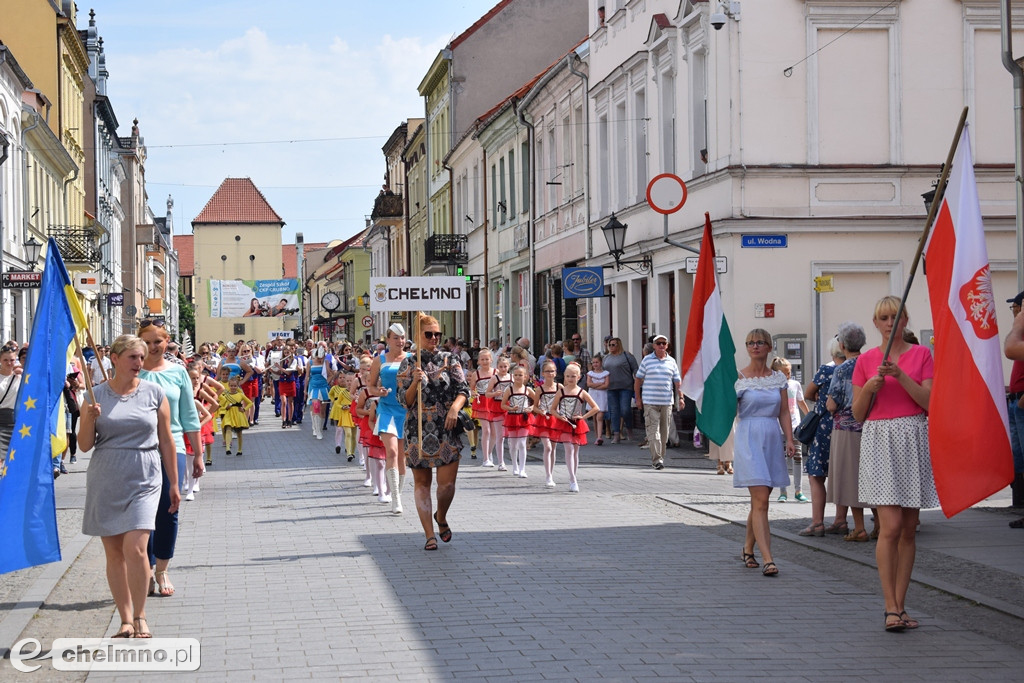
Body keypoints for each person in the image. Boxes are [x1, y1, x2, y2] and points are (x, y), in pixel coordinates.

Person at [79, 335, 178, 639]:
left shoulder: (154, 392)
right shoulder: (94, 396)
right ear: (115, 358)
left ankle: (140, 616)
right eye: (133, 357)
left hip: (145, 476)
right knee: (114, 554)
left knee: (136, 548)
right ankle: (124, 619)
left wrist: (174, 482)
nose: (139, 363)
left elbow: (166, 439)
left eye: (141, 357)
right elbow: (83, 446)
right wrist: (88, 418)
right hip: (106, 477)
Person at [852, 296, 938, 632]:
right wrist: (871, 387)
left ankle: (901, 605)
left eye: (895, 317)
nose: (890, 323)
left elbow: (929, 401)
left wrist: (899, 376)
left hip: (913, 436)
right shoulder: (866, 361)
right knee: (888, 527)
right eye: (884, 318)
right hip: (880, 440)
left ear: (905, 321)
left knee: (907, 529)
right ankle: (889, 606)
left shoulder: (922, 355)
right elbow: (858, 413)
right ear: (875, 323)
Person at [138, 320, 202, 599]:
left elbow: (189, 415)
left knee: (168, 507)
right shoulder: (132, 370)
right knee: (142, 513)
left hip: (172, 446)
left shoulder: (177, 373)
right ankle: (146, 569)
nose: (153, 347)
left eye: (158, 342)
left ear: (167, 342)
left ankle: (162, 567)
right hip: (137, 448)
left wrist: (198, 453)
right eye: (147, 342)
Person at [398, 313, 470, 551]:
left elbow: (463, 390)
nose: (434, 338)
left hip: (447, 427)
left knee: (447, 485)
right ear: (418, 336)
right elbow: (404, 401)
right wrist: (414, 384)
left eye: (437, 334)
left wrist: (454, 409)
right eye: (428, 334)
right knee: (422, 483)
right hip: (417, 428)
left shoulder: (450, 359)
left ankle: (441, 516)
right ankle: (429, 534)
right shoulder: (409, 363)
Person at [734, 329, 796, 577]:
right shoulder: (738, 378)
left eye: (760, 342)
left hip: (771, 436)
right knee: (761, 501)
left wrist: (790, 439)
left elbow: (783, 411)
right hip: (749, 436)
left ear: (769, 347)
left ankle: (748, 548)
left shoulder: (779, 378)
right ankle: (768, 558)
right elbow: (728, 408)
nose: (755, 346)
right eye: (750, 343)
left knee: (760, 500)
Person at [825, 322, 874, 541]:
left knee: (850, 478)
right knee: (873, 477)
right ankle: (880, 524)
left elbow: (832, 404)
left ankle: (860, 527)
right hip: (872, 427)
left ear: (842, 345)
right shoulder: (871, 363)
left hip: (847, 428)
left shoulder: (842, 369)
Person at [798, 338, 845, 536]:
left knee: (816, 475)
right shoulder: (857, 369)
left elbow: (808, 393)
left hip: (825, 427)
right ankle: (841, 520)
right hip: (848, 427)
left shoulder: (826, 371)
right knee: (843, 475)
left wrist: (819, 396)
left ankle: (817, 522)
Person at [368, 323, 410, 514]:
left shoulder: (411, 359)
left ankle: (397, 495)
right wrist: (380, 391)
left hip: (406, 410)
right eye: (395, 338)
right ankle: (395, 498)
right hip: (386, 410)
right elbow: (371, 387)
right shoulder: (379, 359)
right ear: (388, 339)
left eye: (402, 338)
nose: (400, 341)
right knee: (391, 452)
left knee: (402, 456)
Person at [634, 334, 684, 470]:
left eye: (664, 343)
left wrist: (681, 397)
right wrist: (638, 399)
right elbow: (638, 380)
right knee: (653, 431)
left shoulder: (671, 361)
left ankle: (660, 457)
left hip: (667, 402)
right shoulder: (647, 361)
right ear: (654, 346)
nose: (661, 346)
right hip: (650, 402)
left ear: (667, 346)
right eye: (659, 343)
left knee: (664, 433)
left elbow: (677, 381)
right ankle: (657, 460)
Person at [549, 363, 600, 491]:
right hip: (564, 423)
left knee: (576, 452)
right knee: (569, 449)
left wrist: (583, 417)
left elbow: (596, 407)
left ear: (578, 377)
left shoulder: (582, 392)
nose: (570, 379)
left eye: (573, 376)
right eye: (567, 376)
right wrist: (560, 416)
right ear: (564, 377)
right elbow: (552, 409)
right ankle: (573, 479)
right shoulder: (561, 392)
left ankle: (574, 476)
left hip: (577, 424)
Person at [772, 357, 809, 502]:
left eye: (789, 373)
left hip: (795, 426)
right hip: (778, 427)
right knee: (782, 459)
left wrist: (809, 418)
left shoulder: (794, 384)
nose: (787, 376)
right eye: (784, 374)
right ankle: (783, 491)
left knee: (798, 457)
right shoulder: (773, 386)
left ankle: (798, 490)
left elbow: (800, 402)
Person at [1004, 291, 1024, 528]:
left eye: (1017, 308)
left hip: (1021, 402)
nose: (1015, 312)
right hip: (1016, 400)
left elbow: (1010, 348)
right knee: (1019, 459)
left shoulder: (1018, 334)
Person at [500, 364, 536, 477]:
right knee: (513, 444)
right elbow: (503, 405)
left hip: (524, 417)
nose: (517, 377)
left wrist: (531, 408)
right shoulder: (509, 390)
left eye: (520, 375)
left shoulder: (528, 389)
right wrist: (511, 408)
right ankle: (515, 465)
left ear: (525, 376)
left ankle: (522, 469)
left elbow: (537, 401)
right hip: (512, 418)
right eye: (515, 375)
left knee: (522, 443)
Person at [469, 349, 502, 468]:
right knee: (486, 430)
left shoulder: (496, 372)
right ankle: (485, 458)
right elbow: (472, 388)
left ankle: (489, 452)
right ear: (478, 361)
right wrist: (474, 393)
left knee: (494, 431)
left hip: (494, 402)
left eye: (487, 359)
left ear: (491, 360)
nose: (485, 361)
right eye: (482, 359)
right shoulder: (475, 374)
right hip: (482, 402)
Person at [603, 337, 638, 443]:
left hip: (625, 387)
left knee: (625, 410)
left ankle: (629, 429)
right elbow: (603, 371)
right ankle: (616, 434)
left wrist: (638, 380)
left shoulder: (627, 356)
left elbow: (635, 369)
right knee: (613, 411)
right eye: (610, 345)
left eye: (614, 345)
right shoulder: (606, 358)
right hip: (611, 388)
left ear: (619, 345)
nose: (611, 347)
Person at [532, 360, 562, 487]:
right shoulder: (540, 389)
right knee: (548, 447)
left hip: (555, 419)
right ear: (543, 373)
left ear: (555, 373)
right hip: (544, 419)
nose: (550, 373)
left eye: (552, 371)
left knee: (553, 448)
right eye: (548, 371)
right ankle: (548, 475)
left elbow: (564, 402)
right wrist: (541, 411)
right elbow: (534, 407)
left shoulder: (559, 387)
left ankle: (551, 473)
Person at [218, 375, 252, 456]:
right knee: (228, 428)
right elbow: (221, 404)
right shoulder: (225, 395)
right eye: (231, 386)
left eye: (235, 386)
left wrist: (244, 409)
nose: (233, 387)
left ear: (237, 386)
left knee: (239, 432)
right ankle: (227, 448)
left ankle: (239, 450)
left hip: (238, 414)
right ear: (229, 386)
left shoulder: (240, 395)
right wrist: (226, 407)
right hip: (229, 414)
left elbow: (250, 402)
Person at [0, 346, 22, 461]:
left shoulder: (21, 377)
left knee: (13, 459)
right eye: (5, 360)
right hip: (0, 422)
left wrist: (23, 373)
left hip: (15, 423)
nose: (9, 363)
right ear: (0, 360)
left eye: (12, 360)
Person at [329, 373, 356, 459]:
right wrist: (342, 406)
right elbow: (337, 402)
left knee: (353, 436)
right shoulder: (342, 392)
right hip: (344, 415)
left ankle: (352, 451)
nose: (348, 383)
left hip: (354, 415)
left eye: (350, 381)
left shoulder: (357, 392)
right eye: (347, 381)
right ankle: (348, 453)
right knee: (347, 433)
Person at [586, 355, 609, 445]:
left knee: (600, 416)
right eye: (594, 362)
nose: (595, 364)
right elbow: (589, 384)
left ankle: (599, 437)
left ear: (601, 363)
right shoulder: (590, 373)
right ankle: (597, 436)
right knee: (595, 417)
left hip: (602, 396)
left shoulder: (606, 373)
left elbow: (606, 385)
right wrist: (600, 383)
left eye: (597, 362)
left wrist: (595, 385)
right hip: (593, 396)